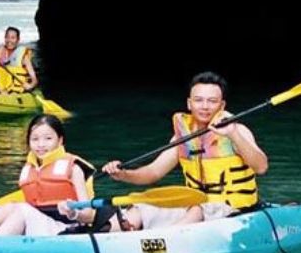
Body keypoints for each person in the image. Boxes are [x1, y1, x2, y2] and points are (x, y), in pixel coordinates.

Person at [100, 71, 268, 224]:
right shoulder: (182, 138)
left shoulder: (237, 131)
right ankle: (104, 234)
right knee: (139, 209)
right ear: (189, 103)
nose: (204, 106)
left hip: (233, 209)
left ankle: (166, 241)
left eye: (212, 101)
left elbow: (261, 167)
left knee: (197, 210)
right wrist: (123, 174)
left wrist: (233, 134)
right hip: (195, 204)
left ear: (222, 105)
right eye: (198, 100)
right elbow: (152, 173)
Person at [0, 114, 94, 236]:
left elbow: (89, 216)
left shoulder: (74, 168)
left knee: (21, 209)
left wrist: (73, 213)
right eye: (35, 139)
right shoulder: (29, 169)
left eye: (48, 138)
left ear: (60, 141)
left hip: (66, 229)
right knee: (12, 207)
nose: (41, 144)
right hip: (38, 226)